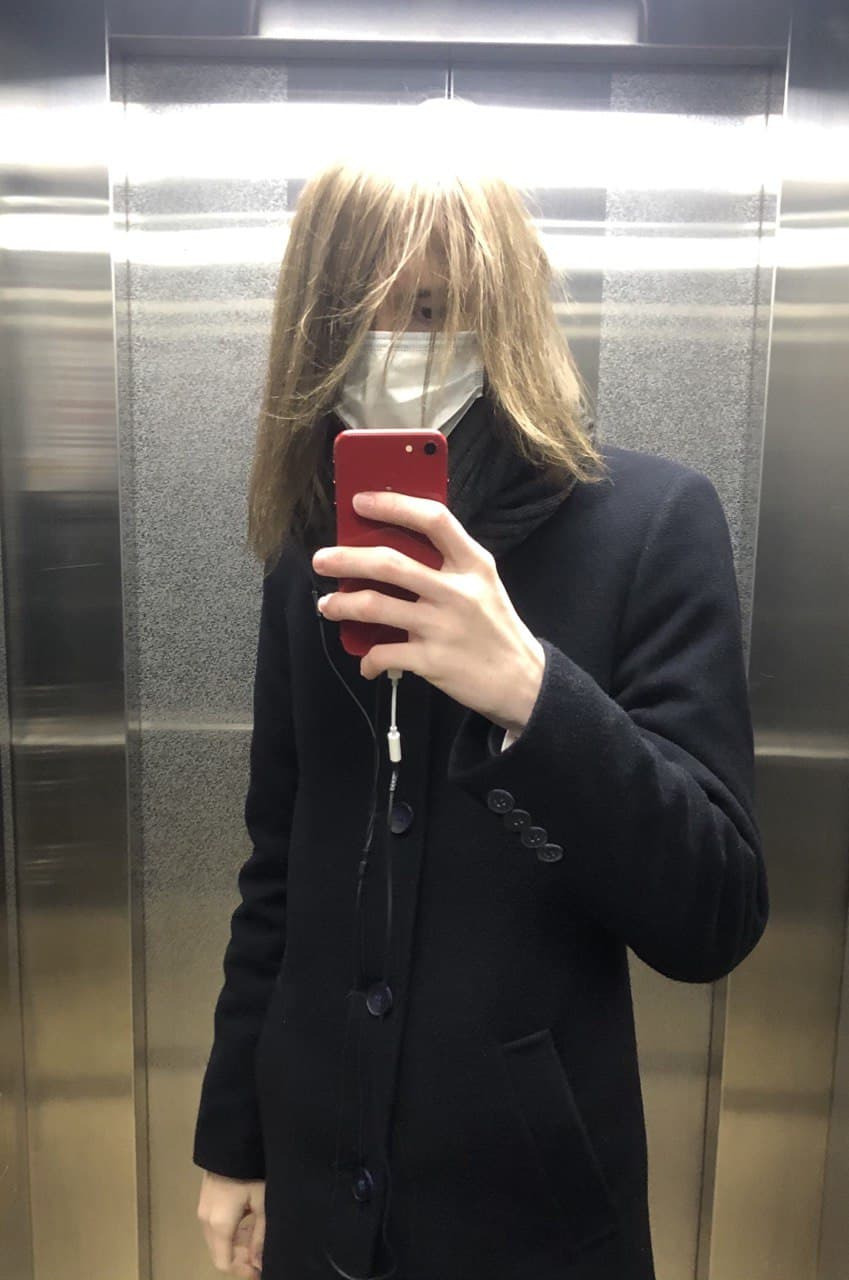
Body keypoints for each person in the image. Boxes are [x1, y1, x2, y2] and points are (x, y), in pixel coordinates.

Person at [192, 97, 769, 1280]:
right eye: (360, 314)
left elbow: (713, 911)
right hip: (317, 1191)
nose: (398, 343)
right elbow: (278, 867)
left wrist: (532, 693)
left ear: (504, 312)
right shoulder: (311, 549)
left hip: (535, 1209)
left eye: (435, 307)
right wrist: (232, 1139)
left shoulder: (651, 524)